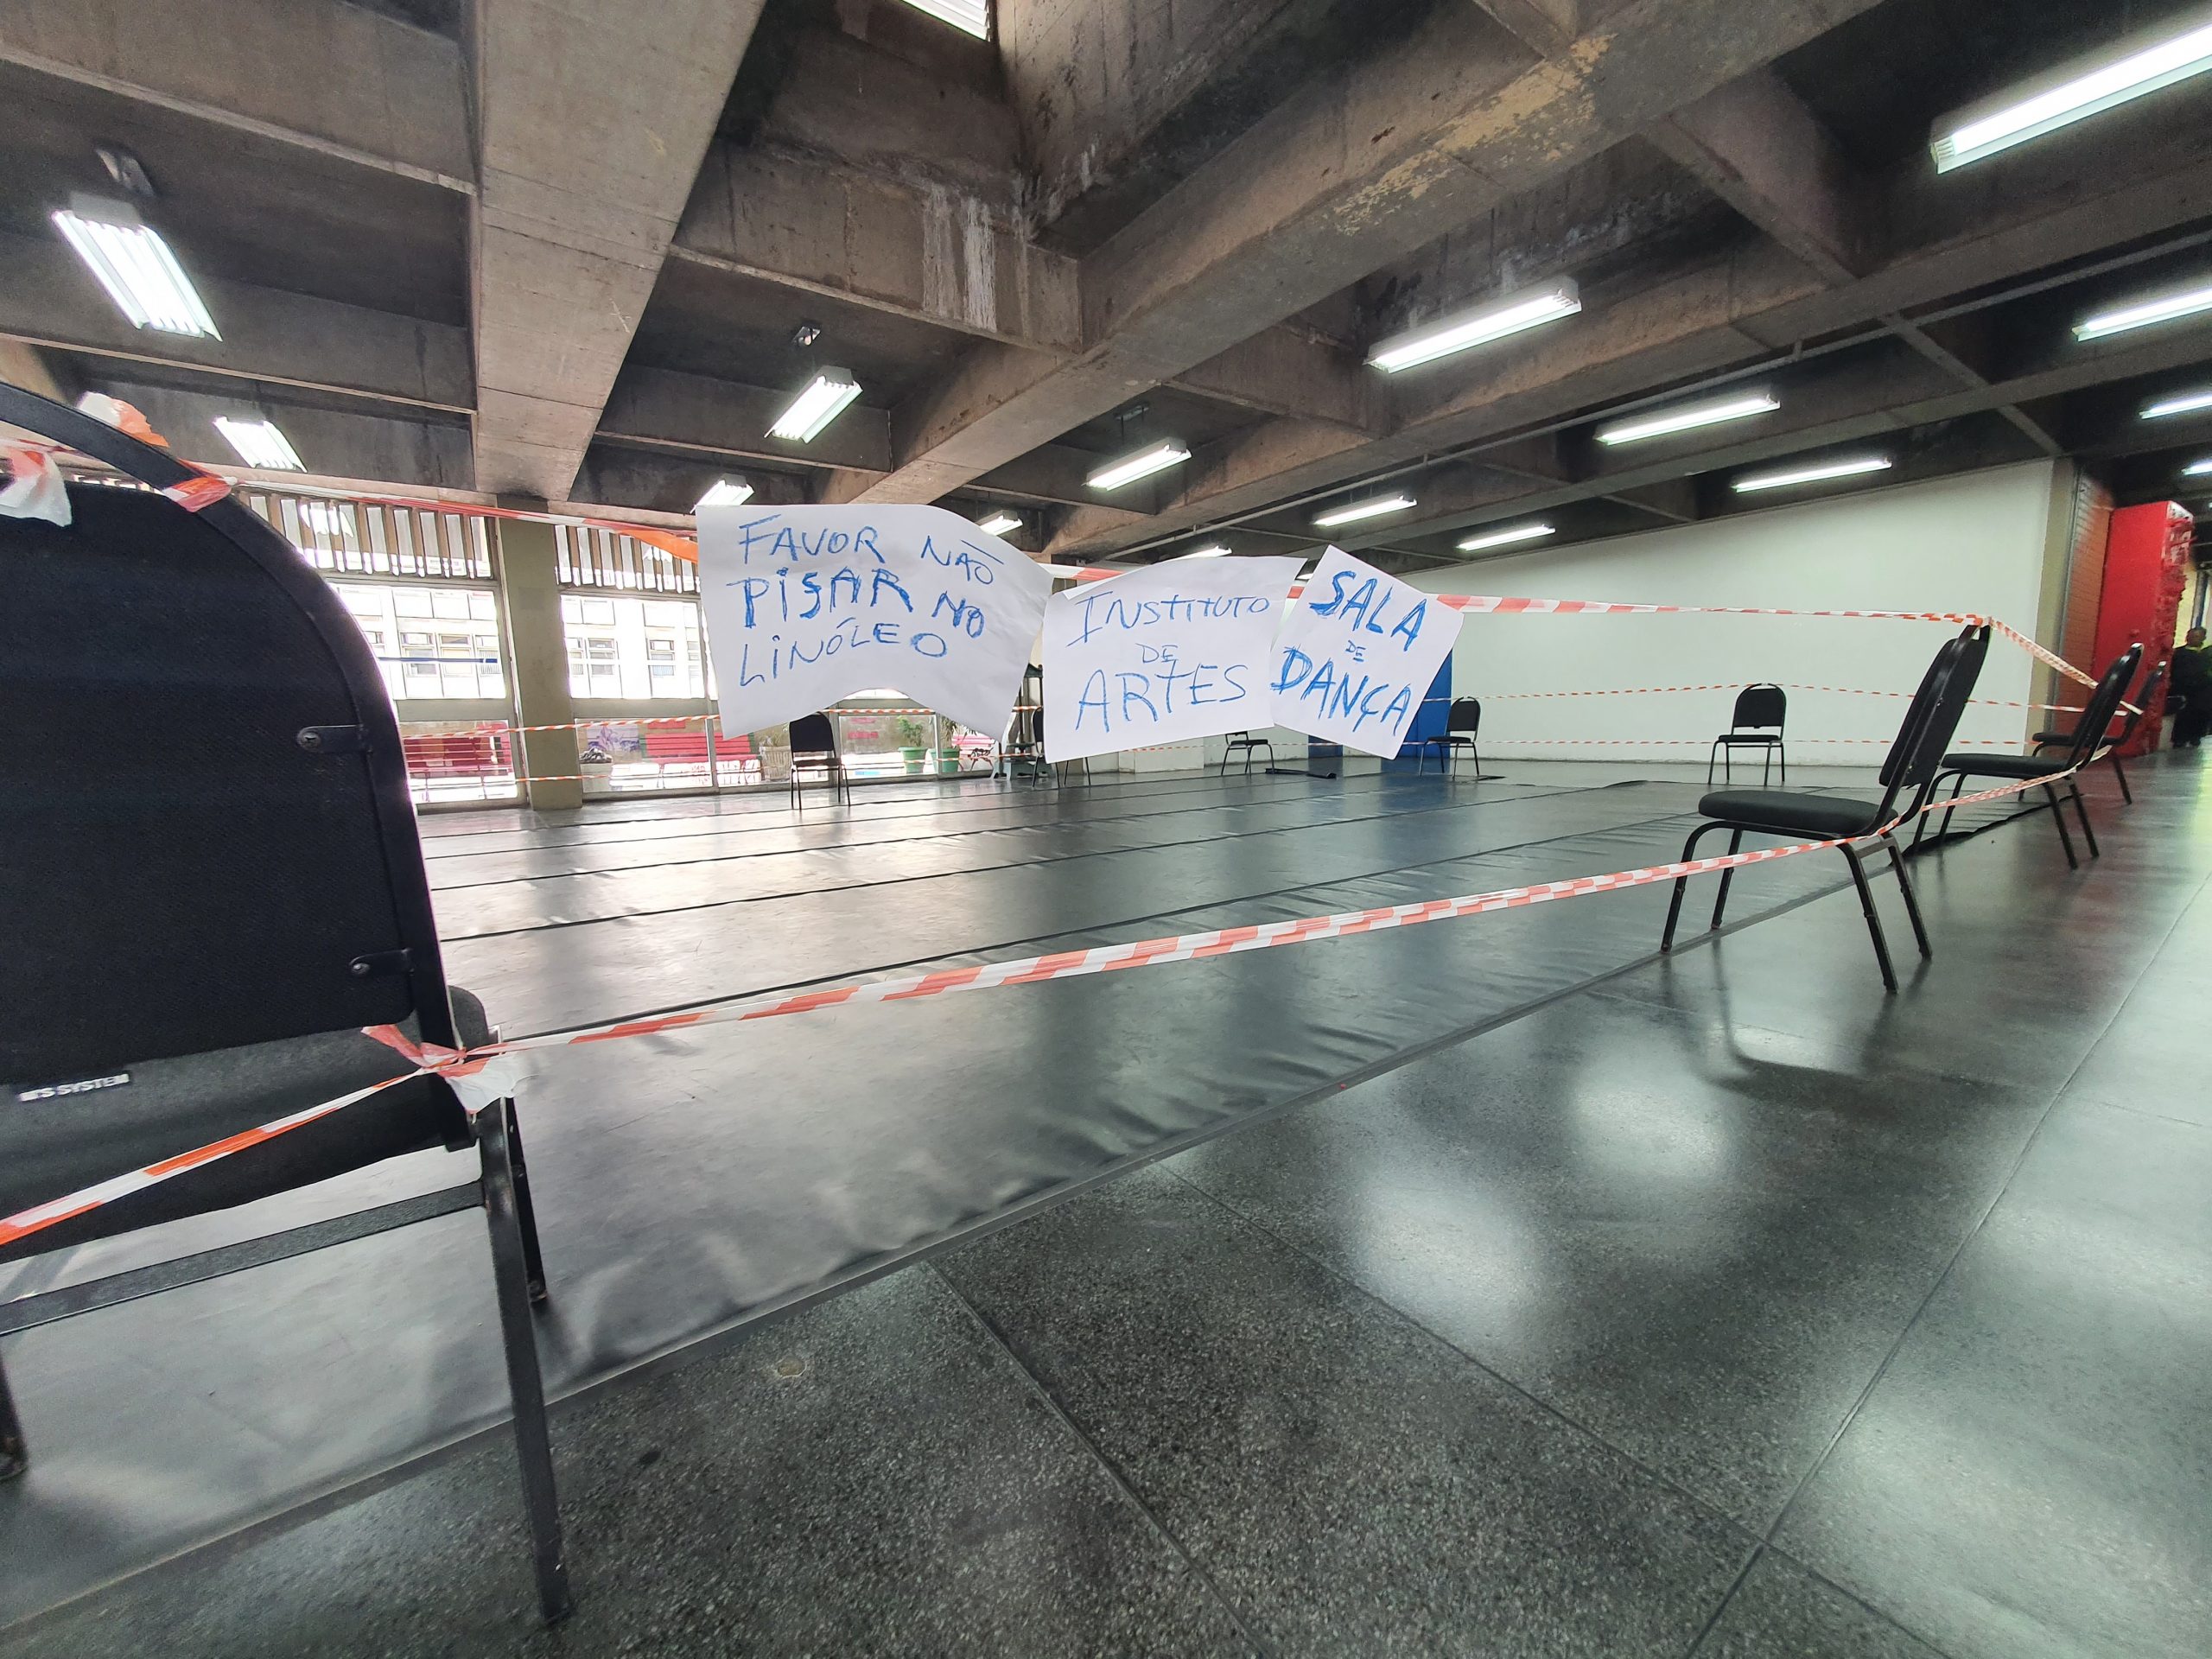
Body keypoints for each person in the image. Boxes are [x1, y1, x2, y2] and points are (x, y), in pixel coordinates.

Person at [2171, 626, 2212, 748]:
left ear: (2203, 638)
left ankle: (2196, 736)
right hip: (2184, 689)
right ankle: (2180, 739)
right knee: (2183, 715)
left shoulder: (2206, 654)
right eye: (2191, 636)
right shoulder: (2178, 653)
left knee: (2200, 714)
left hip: (2203, 692)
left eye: (2197, 636)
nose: (2193, 639)